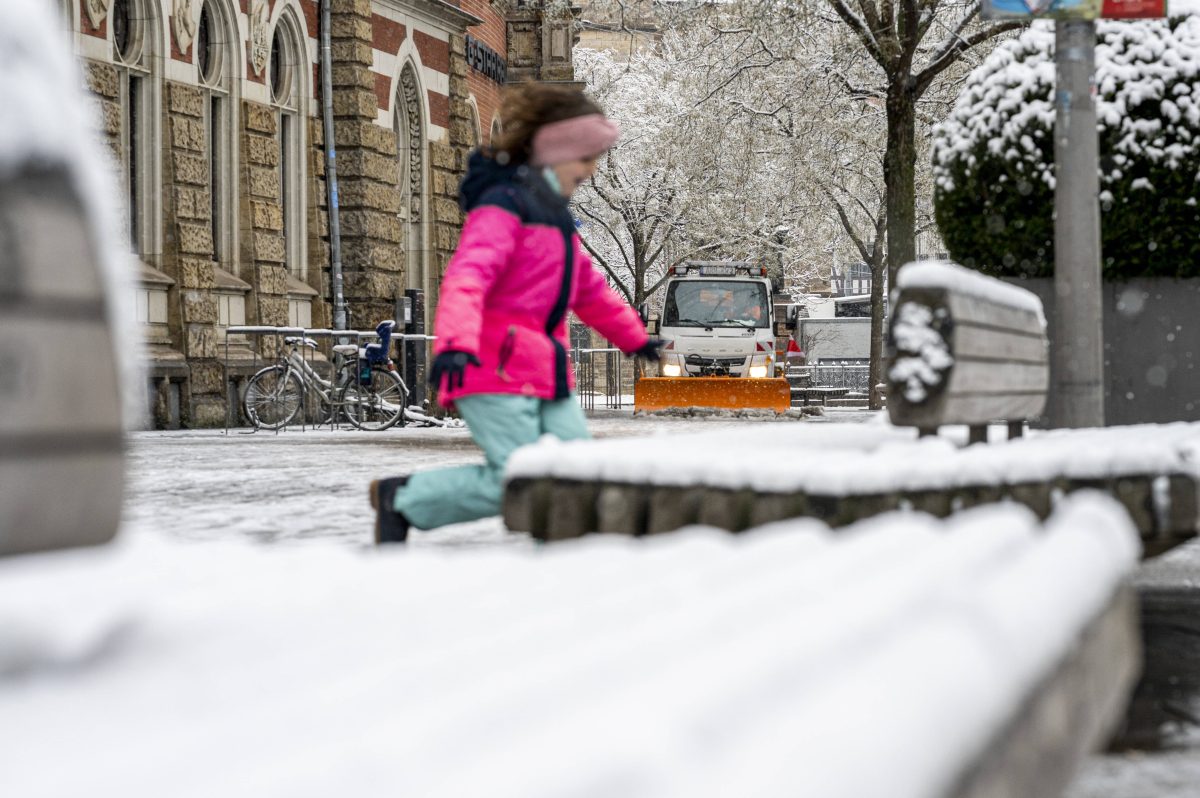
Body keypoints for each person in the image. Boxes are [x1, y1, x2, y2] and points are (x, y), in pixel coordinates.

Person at [369, 83, 662, 543]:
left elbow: (588, 290)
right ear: (554, 152)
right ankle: (404, 499)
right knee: (517, 479)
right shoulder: (503, 207)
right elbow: (469, 277)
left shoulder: (557, 219)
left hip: (545, 372)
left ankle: (569, 554)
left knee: (576, 474)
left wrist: (635, 337)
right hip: (491, 369)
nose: (592, 168)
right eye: (585, 157)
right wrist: (455, 344)